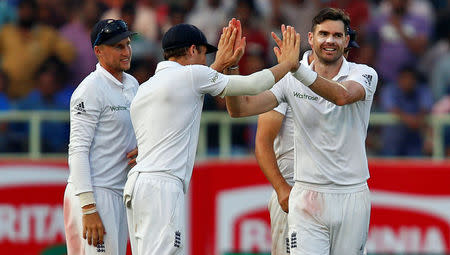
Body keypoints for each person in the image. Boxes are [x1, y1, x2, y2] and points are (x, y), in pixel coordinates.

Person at [124, 18, 301, 255]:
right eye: (204, 54)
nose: (206, 61)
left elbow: (192, 86)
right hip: (162, 187)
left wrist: (218, 65)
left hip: (138, 185)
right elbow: (252, 84)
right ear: (192, 50)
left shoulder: (147, 86)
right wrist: (288, 65)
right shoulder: (190, 77)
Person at [226, 8, 378, 254]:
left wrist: (296, 69)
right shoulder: (289, 78)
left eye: (337, 35)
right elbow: (241, 109)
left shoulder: (364, 74)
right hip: (306, 194)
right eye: (323, 34)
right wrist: (231, 71)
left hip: (352, 194)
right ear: (310, 38)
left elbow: (342, 96)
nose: (330, 40)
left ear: (347, 40)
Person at [255, 24, 361, 255]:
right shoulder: (286, 78)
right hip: (294, 187)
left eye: (346, 47)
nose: (345, 54)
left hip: (333, 192)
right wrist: (282, 189)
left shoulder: (347, 79)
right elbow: (263, 142)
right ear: (313, 42)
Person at [63, 19, 139, 255]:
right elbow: (77, 149)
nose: (126, 51)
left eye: (128, 44)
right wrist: (88, 207)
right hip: (95, 193)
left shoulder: (132, 84)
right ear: (98, 51)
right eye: (118, 46)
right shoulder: (90, 90)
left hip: (119, 192)